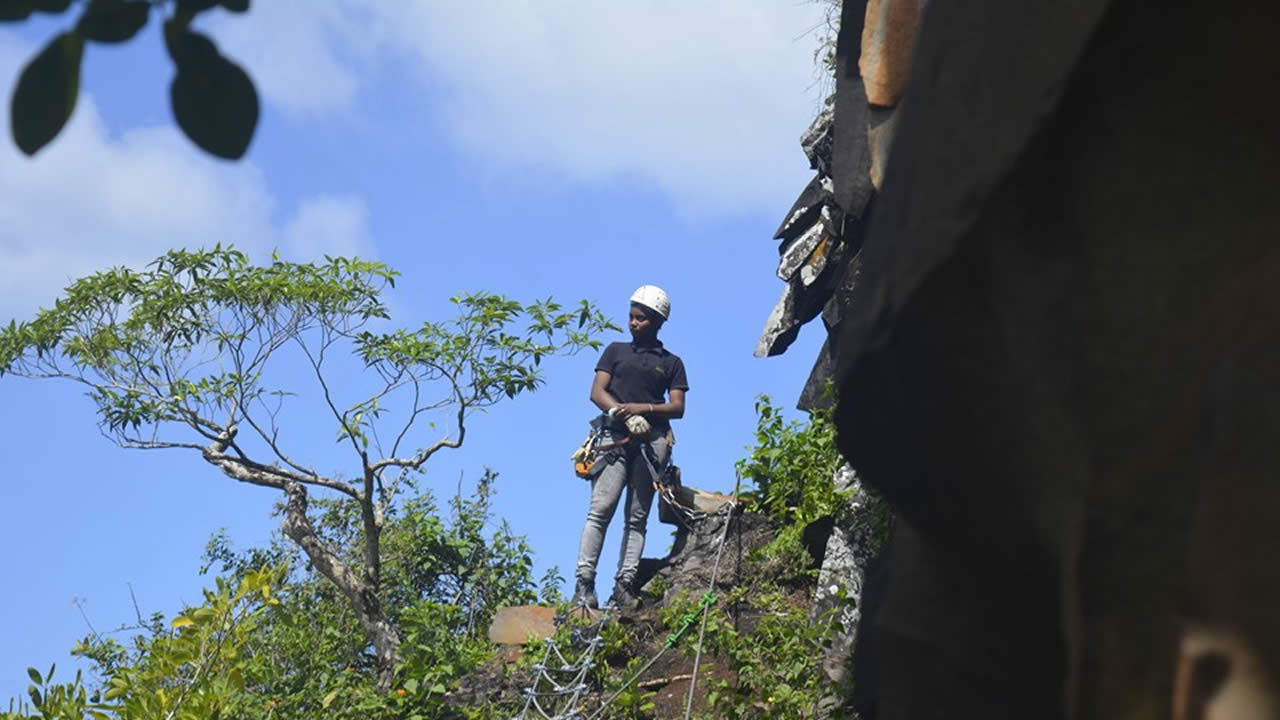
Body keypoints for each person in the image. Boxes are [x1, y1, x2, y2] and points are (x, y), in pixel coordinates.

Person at [572, 285, 688, 610]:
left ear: (656, 322)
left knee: (637, 517)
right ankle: (584, 585)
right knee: (600, 510)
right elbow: (598, 391)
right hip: (615, 438)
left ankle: (624, 584)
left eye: (640, 319)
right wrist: (619, 411)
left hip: (651, 443)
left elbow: (677, 407)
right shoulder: (615, 351)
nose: (633, 323)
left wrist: (646, 410)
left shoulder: (672, 363)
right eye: (631, 317)